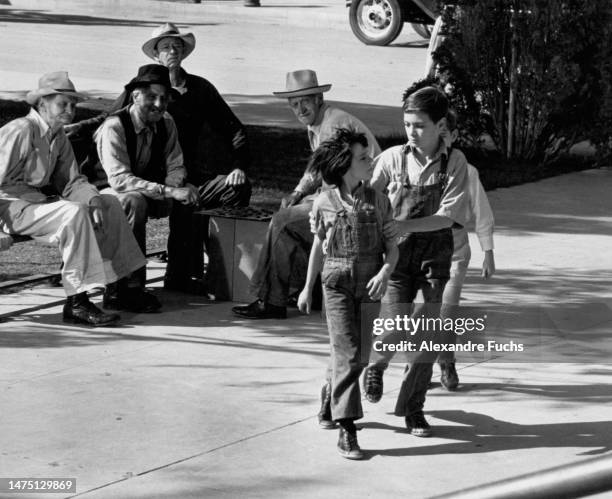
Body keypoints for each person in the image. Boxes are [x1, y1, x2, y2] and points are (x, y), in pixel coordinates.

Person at [77, 23, 252, 294]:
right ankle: (131, 286)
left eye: (177, 46)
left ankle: (210, 271)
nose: (172, 51)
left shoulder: (196, 92)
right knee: (138, 201)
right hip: (125, 181)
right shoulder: (134, 99)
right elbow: (110, 125)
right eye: (166, 47)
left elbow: (229, 130)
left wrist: (236, 167)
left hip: (176, 176)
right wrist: (74, 128)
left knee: (210, 192)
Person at [0, 72, 152, 326]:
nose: (70, 110)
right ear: (42, 104)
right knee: (74, 213)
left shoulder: (57, 135)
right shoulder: (21, 130)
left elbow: (71, 181)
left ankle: (122, 288)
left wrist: (93, 200)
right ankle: (77, 302)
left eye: (73, 105)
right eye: (63, 104)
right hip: (8, 208)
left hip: (36, 207)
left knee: (109, 204)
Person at [232, 69, 380, 320]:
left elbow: (336, 179)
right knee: (290, 218)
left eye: (305, 102)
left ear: (319, 99)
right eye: (294, 104)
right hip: (349, 196)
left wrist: (309, 201)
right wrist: (298, 192)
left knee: (283, 221)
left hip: (361, 201)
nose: (300, 109)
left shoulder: (333, 124)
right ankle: (300, 291)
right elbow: (317, 169)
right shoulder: (320, 123)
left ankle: (270, 300)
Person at [364, 86, 469, 437]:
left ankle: (414, 408)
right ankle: (376, 367)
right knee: (394, 325)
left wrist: (403, 222)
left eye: (420, 125)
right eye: (407, 123)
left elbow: (447, 216)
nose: (412, 131)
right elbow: (365, 195)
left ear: (440, 126)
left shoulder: (454, 163)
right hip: (396, 260)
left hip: (434, 261)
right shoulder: (393, 158)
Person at [297, 129, 398, 460]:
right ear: (344, 165)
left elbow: (392, 248)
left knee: (360, 356)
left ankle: (330, 393)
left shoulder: (380, 202)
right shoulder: (324, 203)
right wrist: (306, 288)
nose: (371, 162)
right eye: (364, 158)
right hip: (336, 284)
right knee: (348, 352)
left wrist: (385, 271)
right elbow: (317, 247)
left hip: (369, 285)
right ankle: (348, 428)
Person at [94, 64, 199, 295]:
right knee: (133, 202)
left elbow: (176, 163)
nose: (159, 105)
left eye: (164, 98)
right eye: (152, 97)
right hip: (102, 193)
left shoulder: (166, 122)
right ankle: (128, 286)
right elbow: (119, 180)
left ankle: (179, 277)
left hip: (148, 189)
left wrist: (175, 186)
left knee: (189, 196)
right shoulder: (114, 126)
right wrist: (168, 192)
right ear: (135, 96)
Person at [437, 109, 496, 390]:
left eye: (444, 133)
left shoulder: (468, 172)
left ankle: (446, 361)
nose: (438, 140)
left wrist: (488, 252)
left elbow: (481, 212)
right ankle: (418, 366)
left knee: (447, 310)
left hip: (455, 249)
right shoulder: (412, 168)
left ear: (454, 135)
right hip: (422, 250)